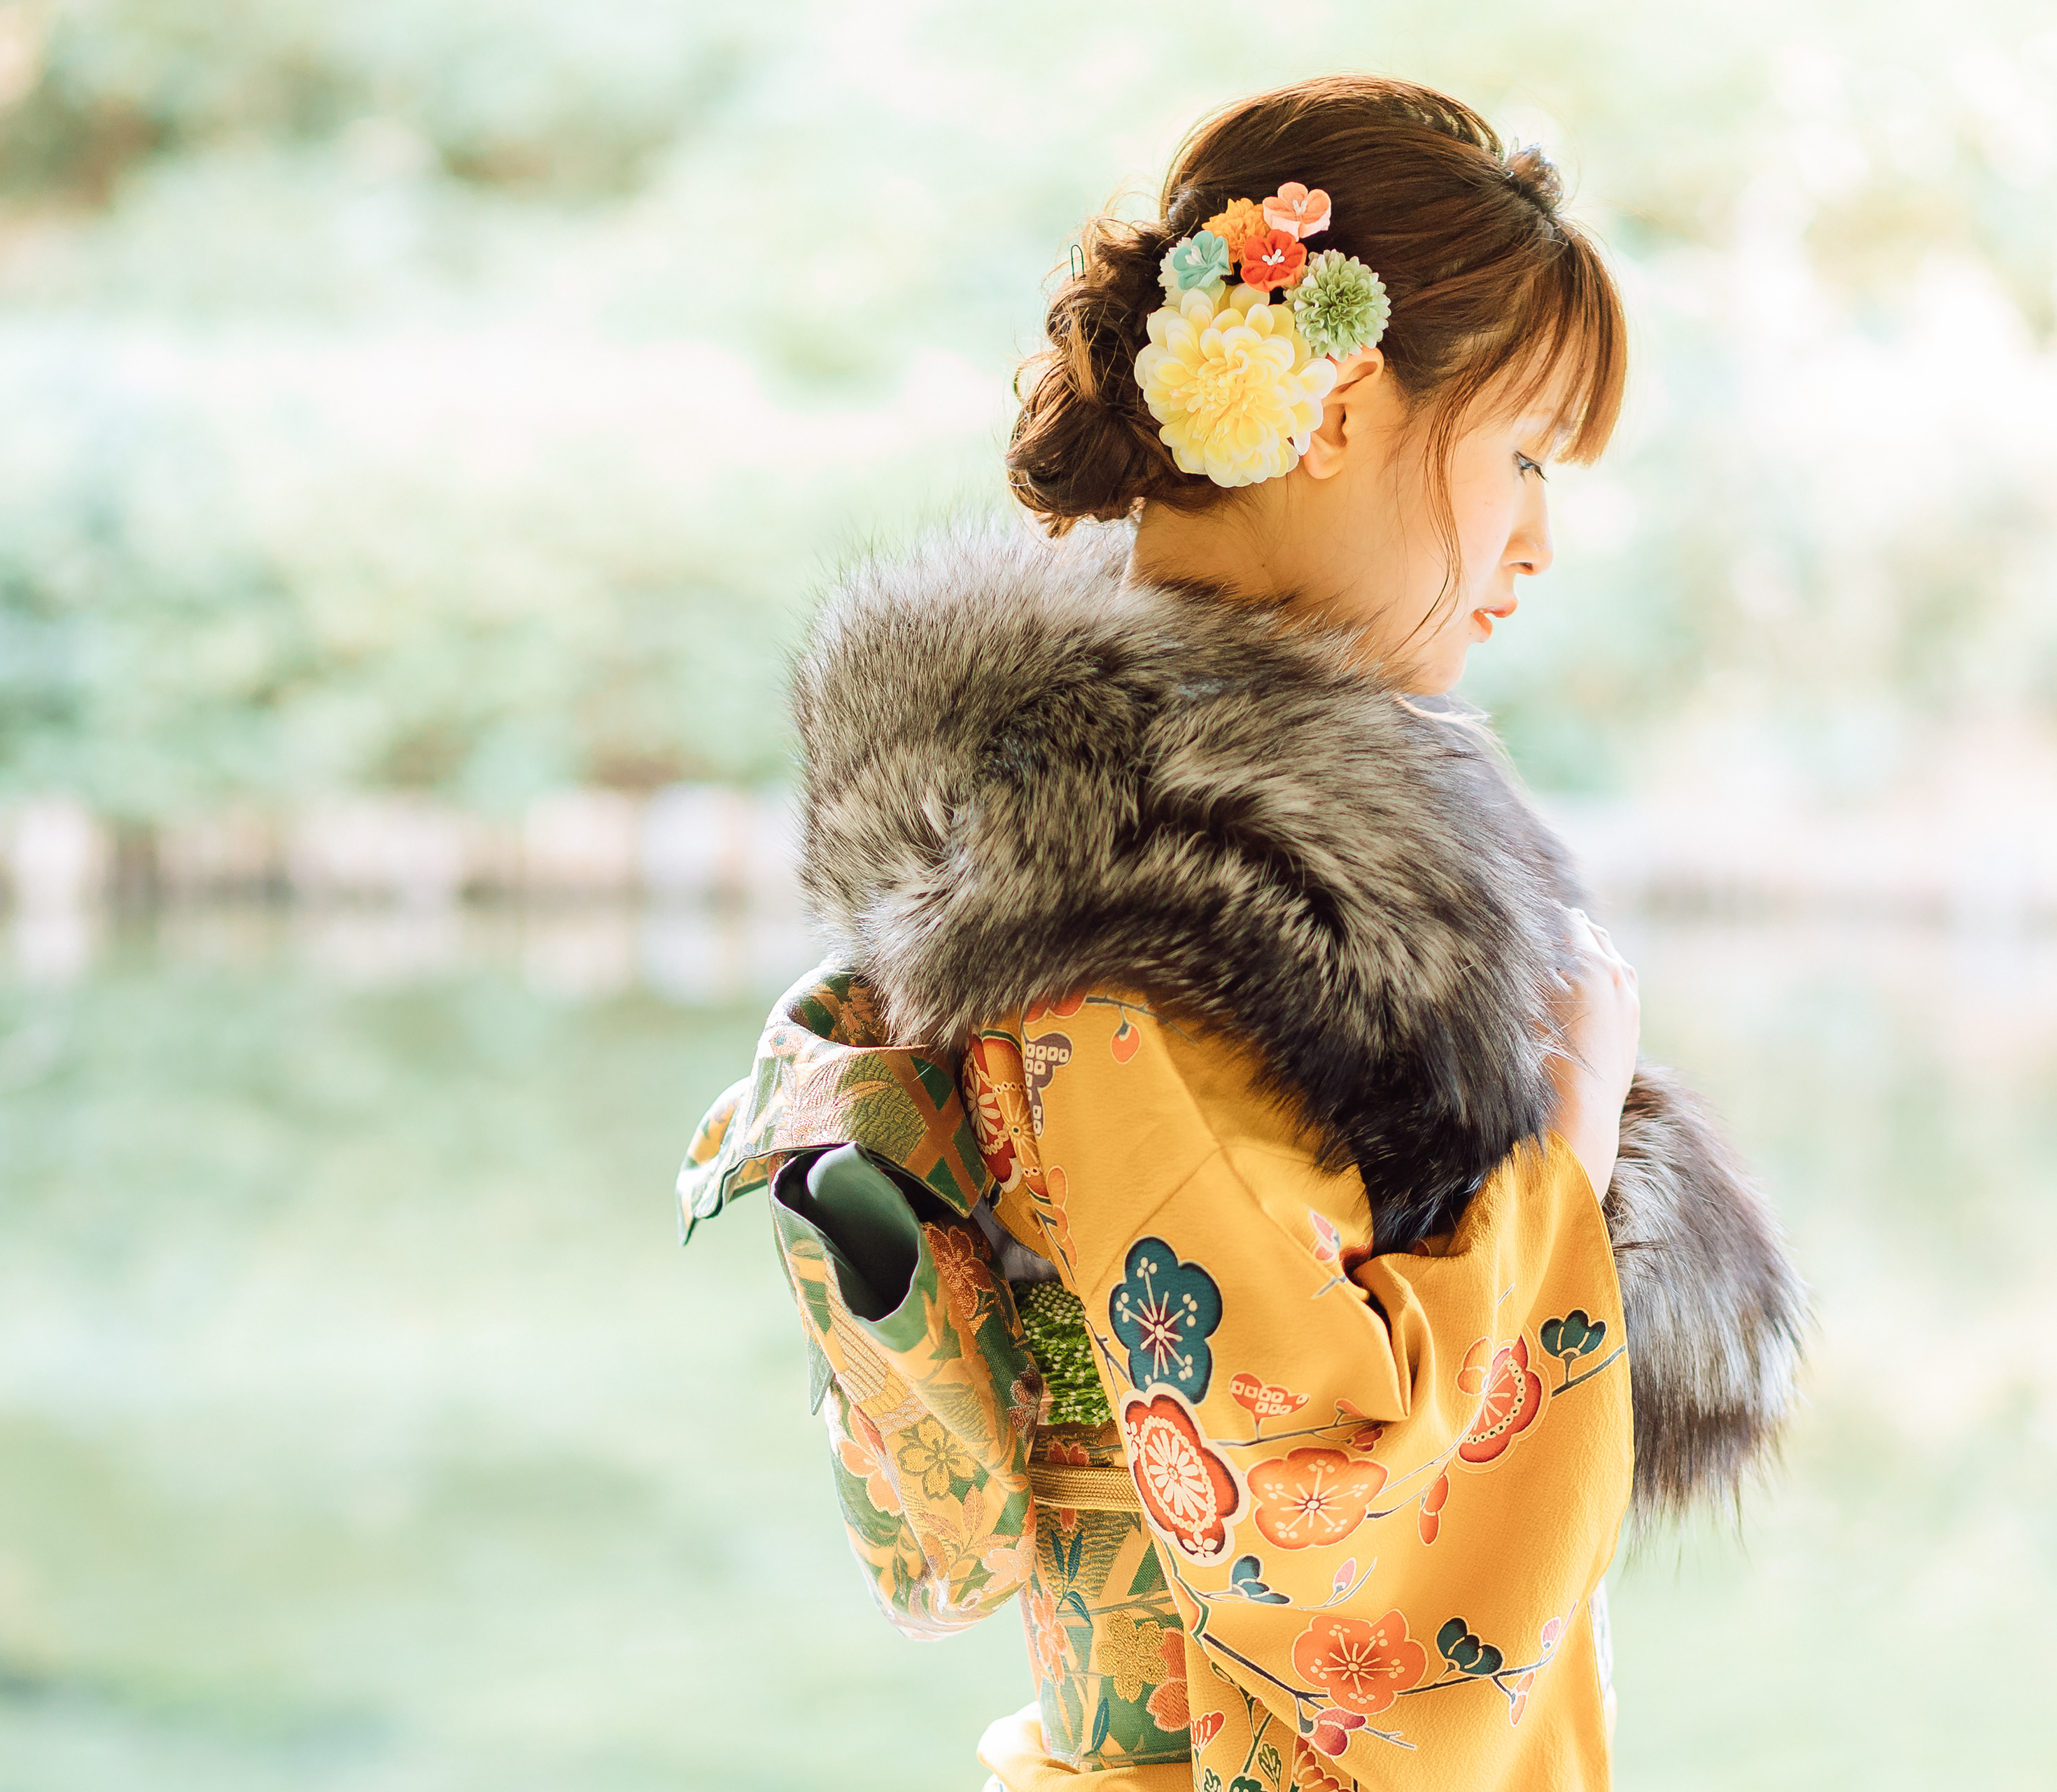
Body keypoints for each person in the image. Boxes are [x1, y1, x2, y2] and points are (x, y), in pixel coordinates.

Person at [680, 73, 1806, 1791]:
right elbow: (1303, 1483)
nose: (1537, 542)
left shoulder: (1095, 834)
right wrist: (1564, 1157)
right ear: (1337, 402)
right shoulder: (1158, 891)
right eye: (1520, 456)